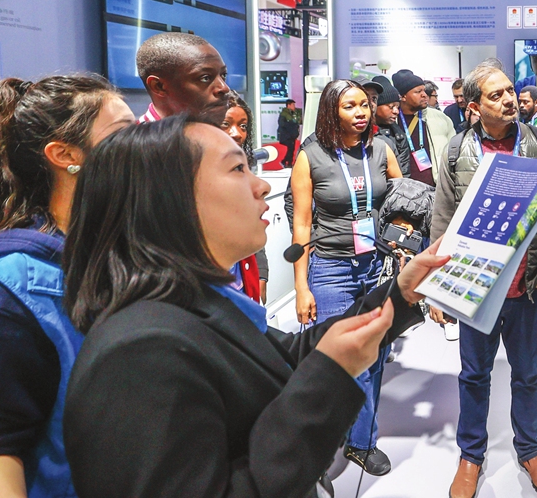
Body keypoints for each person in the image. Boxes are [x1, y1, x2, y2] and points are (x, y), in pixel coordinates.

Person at [60, 116, 446, 497]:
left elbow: (286, 354)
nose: (261, 185)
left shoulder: (195, 299)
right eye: (237, 169)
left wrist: (400, 294)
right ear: (171, 198)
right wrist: (329, 380)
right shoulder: (138, 354)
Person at [0, 75, 135, 497]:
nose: (142, 143)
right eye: (123, 133)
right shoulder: (11, 286)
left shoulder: (121, 252)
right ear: (65, 155)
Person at [430, 61, 537, 498]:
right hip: (478, 288)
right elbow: (442, 217)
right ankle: (471, 456)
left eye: (510, 90)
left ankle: (530, 450)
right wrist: (436, 285)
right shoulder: (457, 151)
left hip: (528, 287)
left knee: (527, 374)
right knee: (474, 375)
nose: (509, 99)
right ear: (474, 107)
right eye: (496, 95)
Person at [289, 80, 403, 476]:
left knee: (374, 357)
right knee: (337, 361)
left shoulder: (381, 149)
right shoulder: (311, 155)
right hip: (332, 270)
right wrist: (301, 286)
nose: (361, 112)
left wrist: (403, 243)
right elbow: (301, 224)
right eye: (350, 106)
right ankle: (326, 438)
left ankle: (360, 442)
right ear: (330, 112)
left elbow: (404, 203)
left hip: (376, 266)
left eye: (364, 106)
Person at [222, 91, 269, 304]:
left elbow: (254, 223)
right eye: (226, 124)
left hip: (242, 275)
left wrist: (262, 274)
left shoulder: (242, 166)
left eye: (243, 126)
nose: (237, 134)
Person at [134, 32, 230, 125]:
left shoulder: (218, 137)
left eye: (223, 75)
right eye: (205, 78)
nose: (224, 88)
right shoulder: (133, 141)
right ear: (159, 86)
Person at [391, 70, 455, 186]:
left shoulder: (441, 118)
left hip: (436, 190)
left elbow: (455, 153)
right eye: (418, 91)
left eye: (424, 90)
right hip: (404, 191)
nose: (424, 95)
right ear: (403, 96)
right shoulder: (391, 120)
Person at [372, 79, 412, 180]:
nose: (396, 111)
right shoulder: (361, 133)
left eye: (397, 107)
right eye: (391, 106)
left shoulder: (399, 135)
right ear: (375, 106)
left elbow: (404, 172)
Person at [277, 99, 304, 167]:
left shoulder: (294, 113)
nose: (294, 106)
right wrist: (291, 126)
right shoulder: (284, 114)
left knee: (291, 149)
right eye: (293, 105)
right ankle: (286, 162)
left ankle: (288, 162)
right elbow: (281, 123)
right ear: (288, 105)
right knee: (290, 149)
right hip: (287, 135)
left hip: (292, 135)